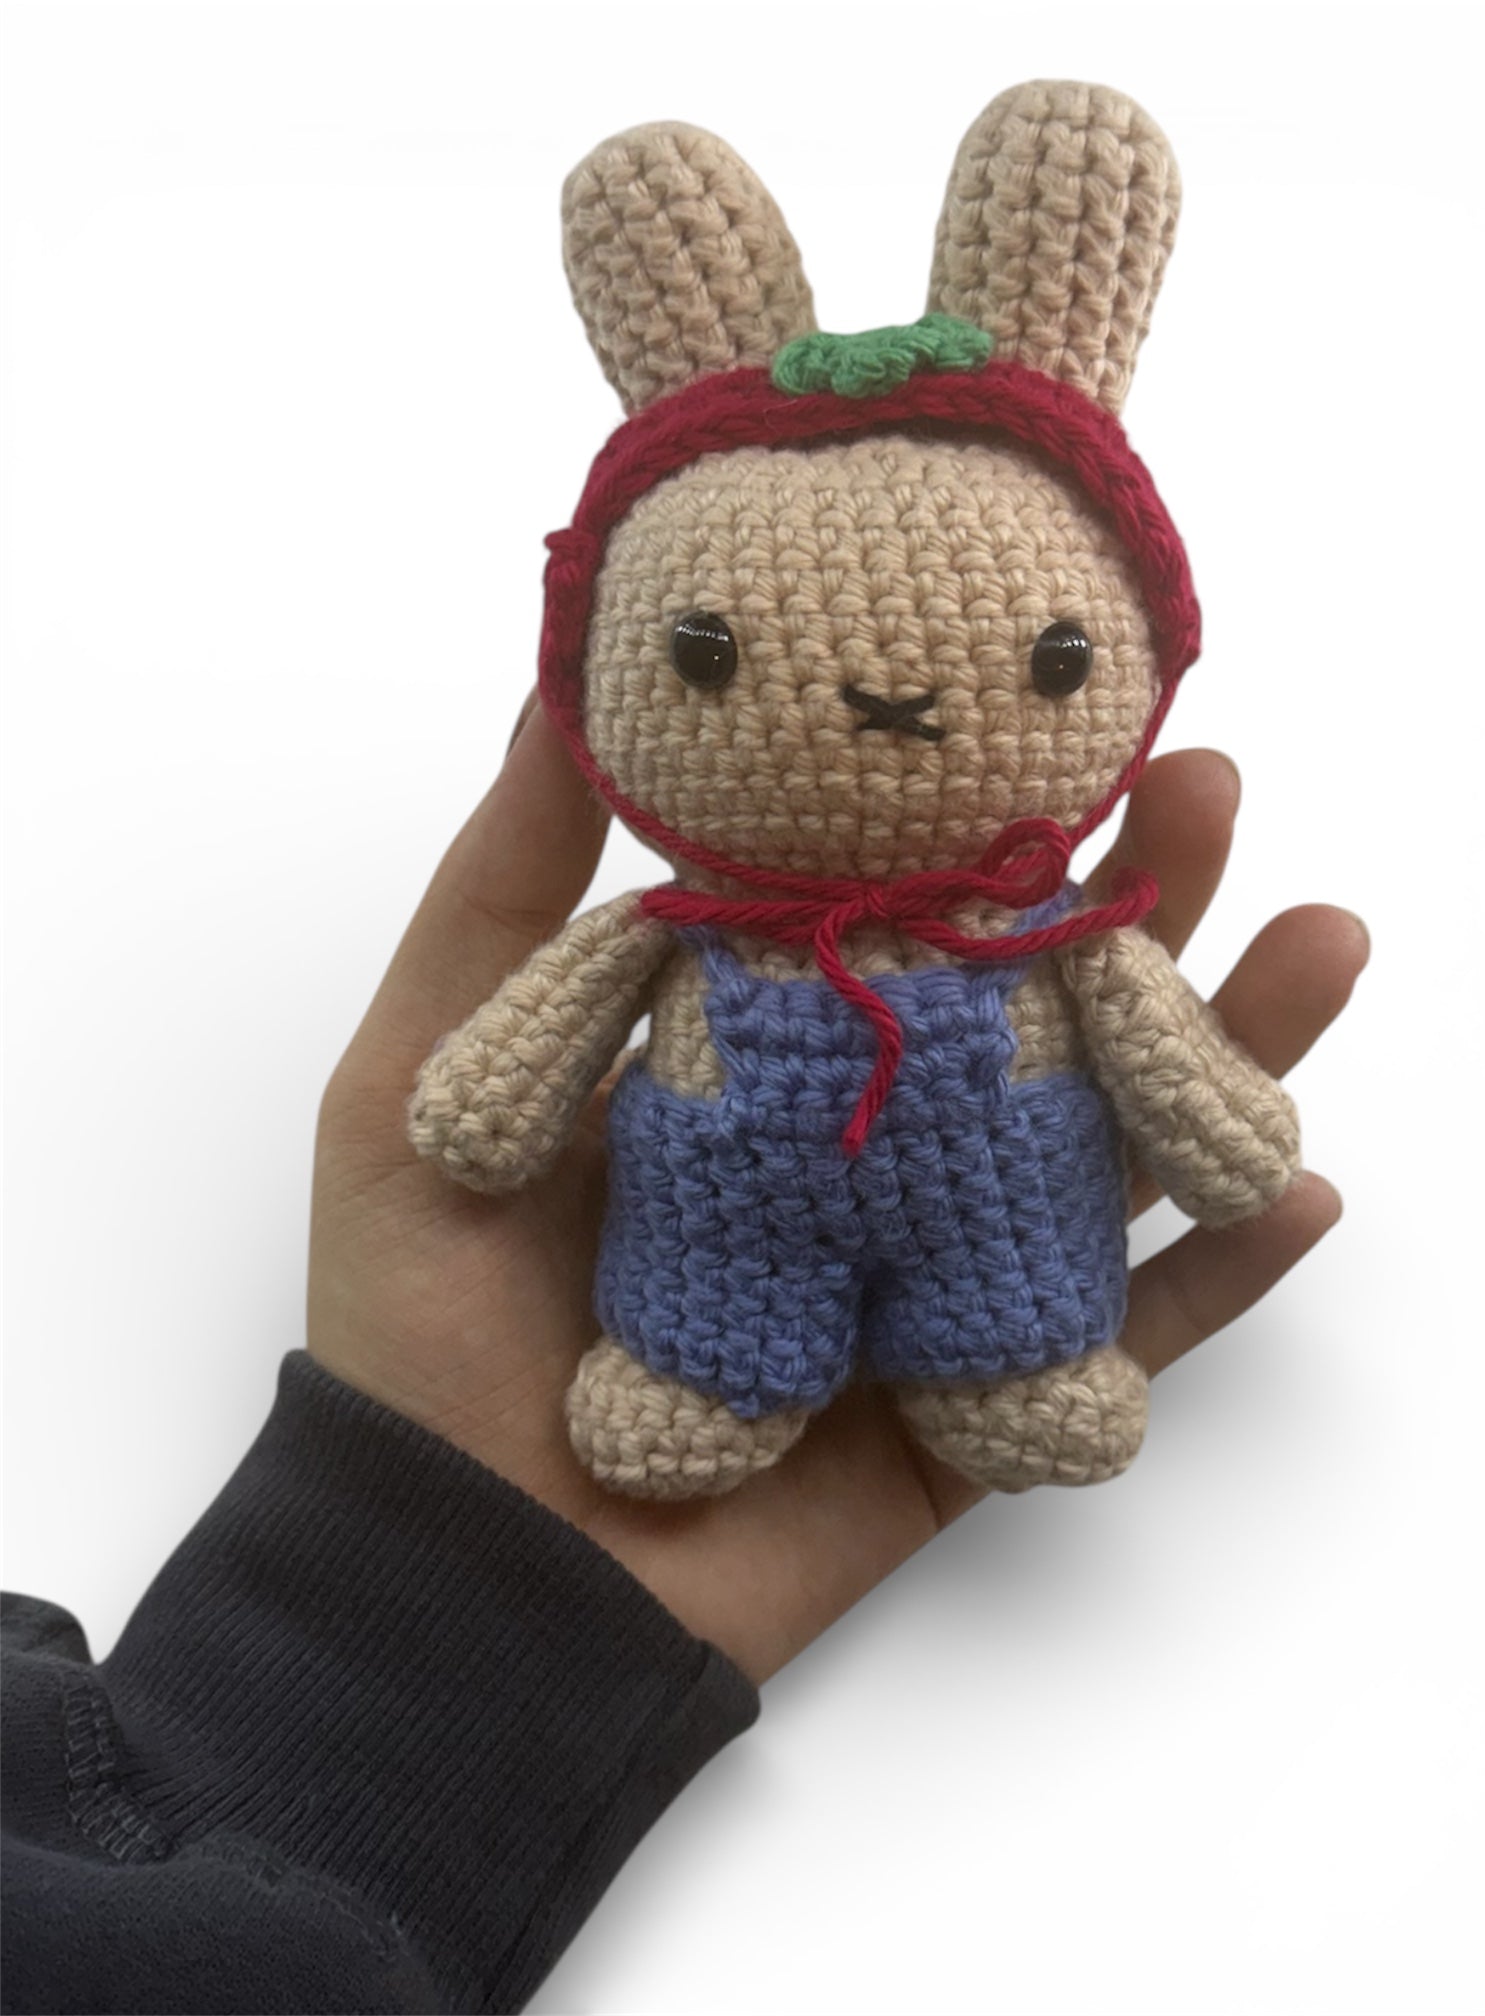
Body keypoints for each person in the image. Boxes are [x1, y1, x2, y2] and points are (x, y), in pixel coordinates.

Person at [0, 707, 1367, 2014]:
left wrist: (1221, 1133)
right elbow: (506, 1082)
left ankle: (1008, 1364)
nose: (878, 701)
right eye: (709, 653)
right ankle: (708, 1375)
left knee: (1008, 1294)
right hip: (729, 1238)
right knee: (713, 1332)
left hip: (990, 1223)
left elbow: (1177, 1070)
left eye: (1052, 661)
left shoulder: (1052, 939)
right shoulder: (683, 932)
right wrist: (491, 1110)